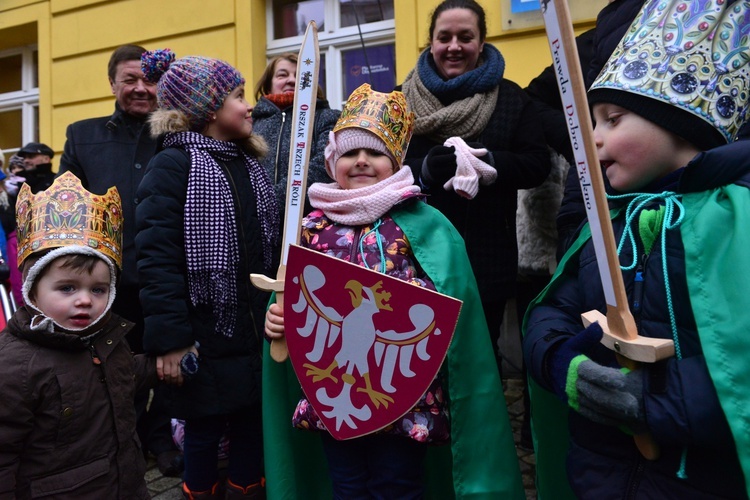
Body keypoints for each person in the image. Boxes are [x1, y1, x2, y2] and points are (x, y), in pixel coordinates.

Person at [523, 0, 750, 497]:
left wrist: (655, 403)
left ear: (681, 126)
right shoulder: (610, 218)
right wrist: (562, 362)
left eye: (613, 119)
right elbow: (556, 308)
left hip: (699, 478)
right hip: (600, 469)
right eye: (593, 121)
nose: (592, 139)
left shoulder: (739, 220)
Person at [263, 83, 523, 499]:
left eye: (376, 152)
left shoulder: (426, 222)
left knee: (397, 486)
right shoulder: (310, 227)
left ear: (396, 161)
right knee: (346, 485)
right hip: (334, 391)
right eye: (349, 152)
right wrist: (277, 316)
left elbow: (450, 307)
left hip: (406, 397)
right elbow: (292, 297)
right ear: (332, 163)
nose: (361, 161)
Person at [136, 48, 279, 498]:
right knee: (203, 430)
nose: (249, 103)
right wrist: (172, 340)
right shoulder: (172, 165)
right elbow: (156, 262)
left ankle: (246, 489)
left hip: (253, 322)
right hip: (203, 328)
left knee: (252, 421)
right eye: (238, 95)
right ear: (208, 107)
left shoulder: (249, 164)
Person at [398, 0, 551, 374]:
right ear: (430, 42)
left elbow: (537, 164)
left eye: (465, 37)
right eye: (444, 37)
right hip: (410, 257)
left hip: (487, 257)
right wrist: (423, 171)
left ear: (481, 43)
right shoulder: (398, 102)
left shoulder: (512, 98)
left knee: (480, 362)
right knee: (416, 358)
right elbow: (377, 170)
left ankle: (484, 434)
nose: (454, 46)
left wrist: (491, 165)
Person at [56, 43, 181, 476]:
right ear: (112, 83)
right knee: (112, 369)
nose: (141, 88)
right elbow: (67, 208)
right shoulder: (81, 134)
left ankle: (160, 438)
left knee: (168, 366)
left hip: (167, 276)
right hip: (107, 283)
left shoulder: (179, 132)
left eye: (148, 79)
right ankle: (120, 442)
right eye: (129, 80)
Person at [0, 172, 156, 498]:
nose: (85, 299)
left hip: (124, 484)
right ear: (33, 291)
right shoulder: (14, 367)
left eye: (98, 289)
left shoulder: (107, 339)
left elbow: (120, 374)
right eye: (67, 288)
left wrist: (162, 366)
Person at [252, 53, 340, 218]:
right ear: (268, 84)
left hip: (309, 226)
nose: (291, 80)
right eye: (282, 75)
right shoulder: (251, 124)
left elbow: (324, 167)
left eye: (300, 75)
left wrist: (271, 203)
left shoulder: (326, 117)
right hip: (259, 227)